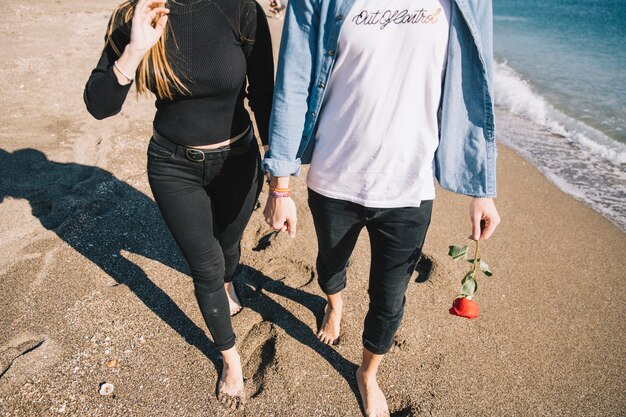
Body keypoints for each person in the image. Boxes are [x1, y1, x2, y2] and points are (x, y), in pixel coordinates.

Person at [263, 0, 500, 415]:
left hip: (409, 188)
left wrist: (481, 187)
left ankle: (368, 373)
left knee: (390, 299)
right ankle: (334, 304)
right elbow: (294, 79)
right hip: (334, 178)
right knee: (331, 265)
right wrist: (280, 186)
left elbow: (476, 84)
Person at [84, 0, 274, 410]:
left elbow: (264, 94)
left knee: (227, 248)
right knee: (205, 267)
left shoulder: (241, 9)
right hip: (173, 168)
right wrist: (135, 49)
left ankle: (228, 281)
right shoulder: (134, 16)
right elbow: (99, 105)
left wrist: (281, 179)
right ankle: (229, 358)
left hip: (238, 163)